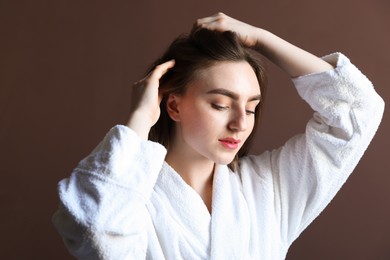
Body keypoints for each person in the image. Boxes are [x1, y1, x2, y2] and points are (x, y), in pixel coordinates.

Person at [52, 13, 384, 259]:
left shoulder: (269, 189)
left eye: (252, 108)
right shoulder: (132, 199)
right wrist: (139, 121)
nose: (241, 123)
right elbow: (94, 227)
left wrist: (261, 37)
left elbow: (357, 109)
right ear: (173, 105)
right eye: (221, 104)